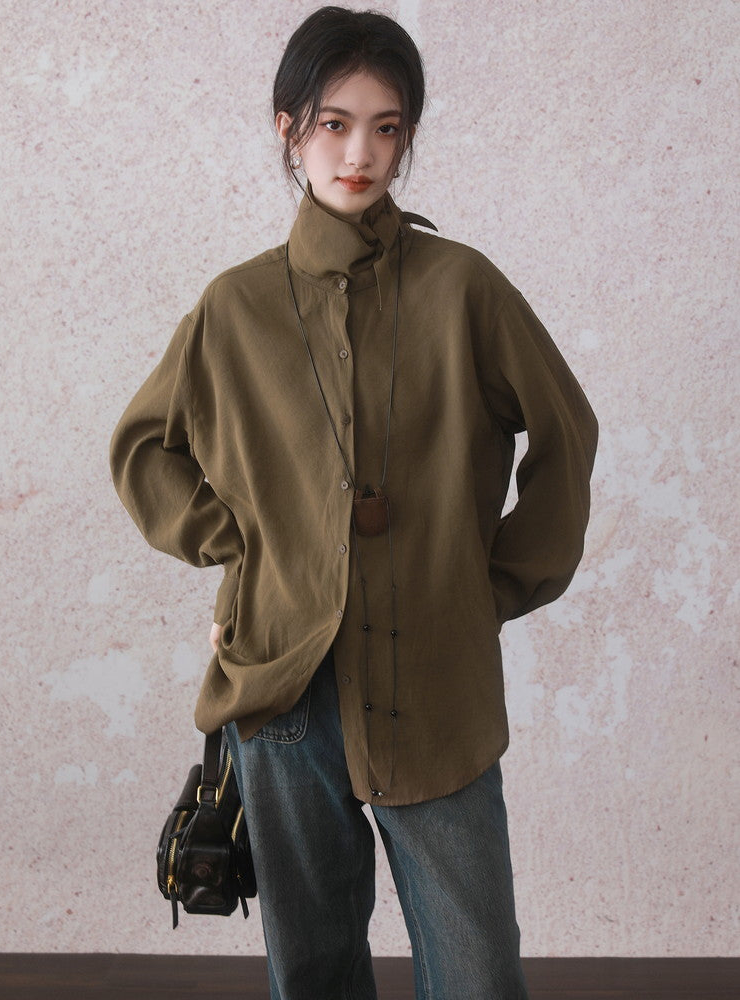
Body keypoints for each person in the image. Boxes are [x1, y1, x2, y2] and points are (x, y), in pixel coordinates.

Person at [110, 6, 598, 998]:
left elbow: (566, 434)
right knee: (315, 971)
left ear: (408, 135)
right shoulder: (235, 307)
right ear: (288, 128)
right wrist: (246, 554)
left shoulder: (464, 289)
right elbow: (143, 450)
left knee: (476, 974)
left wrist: (497, 583)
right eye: (334, 123)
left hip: (437, 689)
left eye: (386, 126)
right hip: (283, 694)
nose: (360, 152)